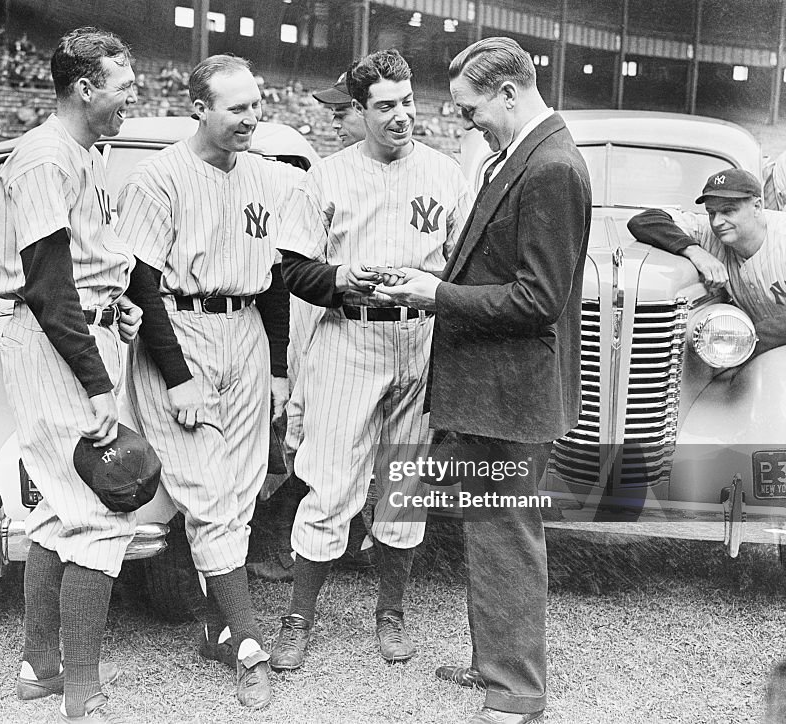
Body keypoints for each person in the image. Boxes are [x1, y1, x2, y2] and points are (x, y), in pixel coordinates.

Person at [374, 37, 591, 724]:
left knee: (506, 536)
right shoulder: (519, 157)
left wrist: (435, 294)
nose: (467, 120)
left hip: (511, 395)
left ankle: (517, 693)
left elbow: (537, 300)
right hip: (494, 391)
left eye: (472, 109)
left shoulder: (551, 166)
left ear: (507, 92)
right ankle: (492, 663)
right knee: (489, 531)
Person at [270, 48, 470, 672]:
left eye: (408, 102)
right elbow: (293, 269)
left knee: (405, 487)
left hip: (421, 338)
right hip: (348, 337)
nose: (402, 116)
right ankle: (298, 618)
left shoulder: (447, 176)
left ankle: (391, 612)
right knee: (329, 484)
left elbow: (466, 270)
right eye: (385, 106)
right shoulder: (325, 177)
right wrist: (340, 278)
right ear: (359, 110)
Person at [116, 54, 295, 710]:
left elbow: (274, 279)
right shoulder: (158, 177)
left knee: (242, 492)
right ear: (199, 107)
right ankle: (249, 644)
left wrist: (277, 368)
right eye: (235, 107)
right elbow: (140, 281)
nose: (250, 118)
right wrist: (177, 377)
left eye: (255, 105)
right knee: (209, 493)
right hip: (180, 331)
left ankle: (218, 631)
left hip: (243, 327)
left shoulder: (268, 178)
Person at [0, 26, 141, 723]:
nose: (130, 100)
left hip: (81, 333)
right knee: (103, 509)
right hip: (56, 344)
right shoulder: (45, 156)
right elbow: (49, 287)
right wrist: (98, 381)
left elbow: (87, 268)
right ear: (85, 88)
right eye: (122, 89)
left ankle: (39, 666)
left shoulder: (84, 151)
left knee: (55, 508)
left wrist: (120, 309)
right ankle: (82, 691)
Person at [247, 67, 374, 584]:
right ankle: (291, 544)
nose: (336, 122)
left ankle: (375, 552)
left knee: (379, 461)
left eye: (343, 111)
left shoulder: (402, 178)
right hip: (324, 337)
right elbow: (286, 281)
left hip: (385, 337)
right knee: (309, 451)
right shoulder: (320, 184)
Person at [628, 168, 786, 354]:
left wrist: (744, 343)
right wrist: (695, 252)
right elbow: (643, 220)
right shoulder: (708, 233)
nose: (718, 222)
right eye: (711, 213)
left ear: (757, 206)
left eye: (728, 211)